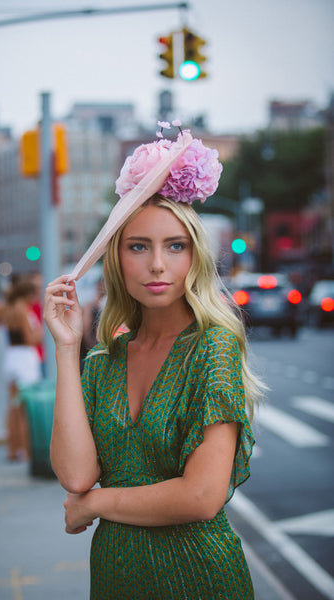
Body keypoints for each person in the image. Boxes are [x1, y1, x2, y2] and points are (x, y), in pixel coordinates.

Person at [43, 122, 265, 599]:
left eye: (175, 246)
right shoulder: (104, 362)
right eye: (139, 246)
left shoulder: (214, 348)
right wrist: (66, 349)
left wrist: (97, 503)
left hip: (199, 577)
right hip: (115, 576)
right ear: (118, 260)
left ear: (194, 258)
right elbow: (76, 476)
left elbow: (202, 497)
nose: (158, 265)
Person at [1, 279, 43, 461]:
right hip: (24, 359)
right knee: (27, 408)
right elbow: (28, 338)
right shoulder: (22, 309)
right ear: (29, 294)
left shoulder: (10, 307)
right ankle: (26, 450)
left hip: (11, 356)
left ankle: (12, 449)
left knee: (14, 407)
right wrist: (43, 333)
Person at [80, 276, 106, 370]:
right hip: (92, 348)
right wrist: (92, 348)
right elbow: (86, 329)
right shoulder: (90, 306)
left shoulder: (91, 306)